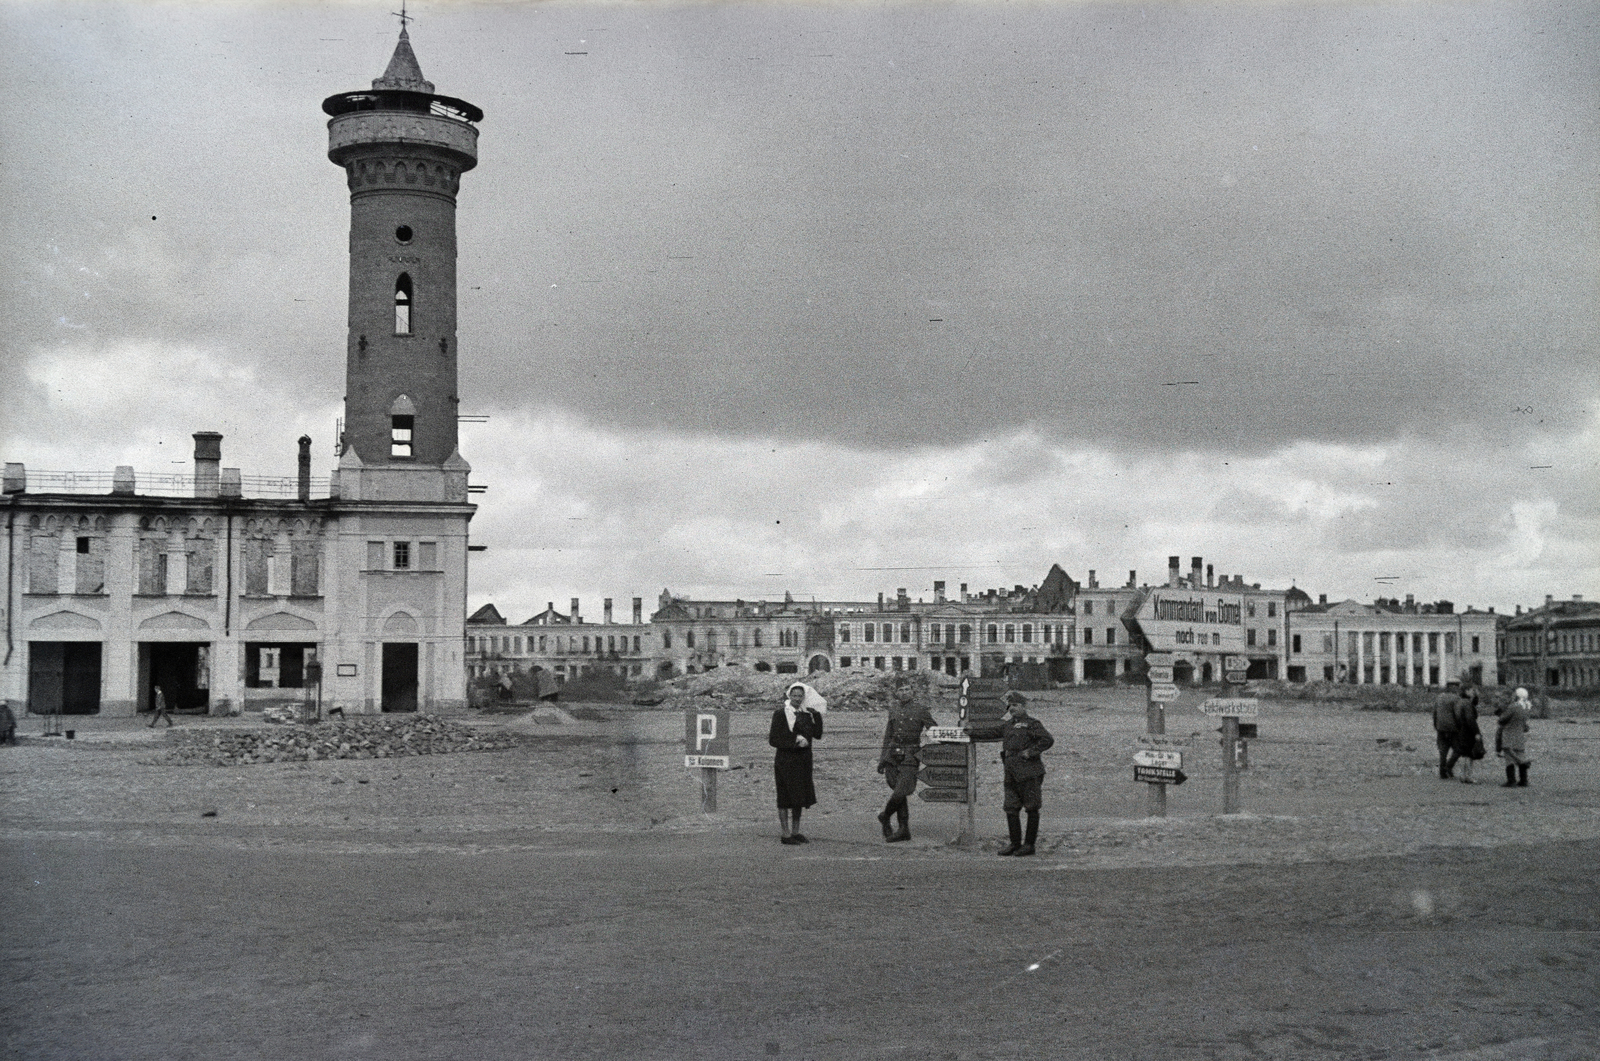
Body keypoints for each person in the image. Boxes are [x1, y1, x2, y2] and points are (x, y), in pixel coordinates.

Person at [876, 678, 938, 843]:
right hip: (892, 755)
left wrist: (951, 739)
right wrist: (882, 760)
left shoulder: (921, 709)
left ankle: (885, 815)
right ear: (896, 693)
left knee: (903, 789)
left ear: (912, 691)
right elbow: (888, 735)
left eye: (907, 689)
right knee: (897, 789)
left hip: (911, 755)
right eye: (901, 690)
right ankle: (904, 829)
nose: (904, 693)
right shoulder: (894, 709)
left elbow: (934, 729)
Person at [996, 691, 1053, 857]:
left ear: (1023, 706)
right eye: (1010, 706)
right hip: (1011, 772)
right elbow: (992, 732)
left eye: (1015, 705)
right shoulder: (1008, 725)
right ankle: (1014, 843)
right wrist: (969, 731)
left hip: (1029, 772)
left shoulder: (1032, 724)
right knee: (1011, 808)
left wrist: (1031, 752)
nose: (1012, 709)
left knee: (1031, 807)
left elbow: (1047, 740)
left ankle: (1029, 845)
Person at [769, 682, 825, 845]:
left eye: (800, 696)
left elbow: (818, 734)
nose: (797, 699)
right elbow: (773, 739)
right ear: (789, 696)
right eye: (794, 696)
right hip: (785, 761)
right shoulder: (780, 714)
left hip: (803, 761)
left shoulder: (806, 715)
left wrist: (817, 716)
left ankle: (796, 831)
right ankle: (785, 834)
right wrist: (794, 741)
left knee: (799, 796)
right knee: (785, 797)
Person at [1495, 687, 1533, 788]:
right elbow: (1525, 725)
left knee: (1509, 759)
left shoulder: (1513, 707)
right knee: (1521, 756)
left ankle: (1511, 781)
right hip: (1519, 736)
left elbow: (1502, 719)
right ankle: (1524, 780)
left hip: (1509, 735)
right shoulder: (1525, 707)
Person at [1450, 678, 1484, 784]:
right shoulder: (1467, 704)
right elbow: (1470, 719)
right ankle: (1468, 776)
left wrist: (1475, 696)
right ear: (1466, 691)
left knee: (1464, 754)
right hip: (1468, 731)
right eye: (1471, 690)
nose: (1472, 692)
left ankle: (1463, 775)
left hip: (1461, 730)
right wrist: (1477, 733)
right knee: (1469, 754)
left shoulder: (1459, 702)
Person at [1433, 679, 1461, 779]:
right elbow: (1458, 715)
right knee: (1458, 749)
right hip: (1453, 728)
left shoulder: (1439, 697)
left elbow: (1435, 713)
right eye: (1457, 686)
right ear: (1454, 687)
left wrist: (1436, 726)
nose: (1458, 688)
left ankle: (1442, 772)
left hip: (1440, 728)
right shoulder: (1456, 698)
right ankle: (1448, 767)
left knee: (1443, 751)